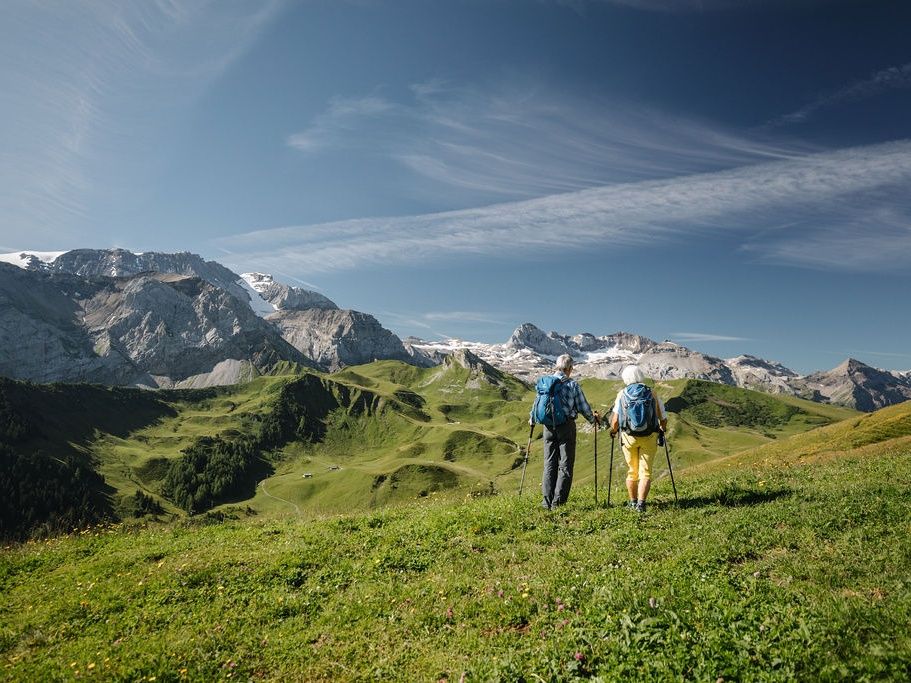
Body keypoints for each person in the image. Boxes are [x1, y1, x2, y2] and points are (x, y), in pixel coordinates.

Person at [531, 353, 599, 510]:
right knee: (565, 463)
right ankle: (558, 502)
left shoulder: (545, 383)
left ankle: (546, 501)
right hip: (566, 426)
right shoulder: (572, 385)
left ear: (556, 367)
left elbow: (536, 405)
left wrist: (532, 420)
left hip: (547, 427)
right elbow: (583, 407)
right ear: (569, 368)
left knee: (549, 463)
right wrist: (592, 419)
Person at [609, 365, 667, 513]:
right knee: (645, 472)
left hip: (629, 437)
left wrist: (613, 431)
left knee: (632, 471)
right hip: (649, 435)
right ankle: (641, 504)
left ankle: (632, 502)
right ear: (641, 376)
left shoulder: (622, 393)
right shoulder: (651, 393)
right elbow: (663, 417)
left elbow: (615, 421)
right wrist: (662, 429)